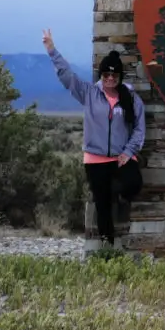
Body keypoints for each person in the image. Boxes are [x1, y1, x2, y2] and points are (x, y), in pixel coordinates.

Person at [43, 29, 146, 249]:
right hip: (96, 160)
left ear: (119, 77)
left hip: (122, 158)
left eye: (114, 76)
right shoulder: (89, 94)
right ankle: (107, 249)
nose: (110, 79)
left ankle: (118, 197)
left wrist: (128, 152)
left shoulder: (131, 98)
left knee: (133, 184)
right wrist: (52, 50)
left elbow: (139, 128)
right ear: (101, 75)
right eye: (106, 75)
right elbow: (67, 76)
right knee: (102, 205)